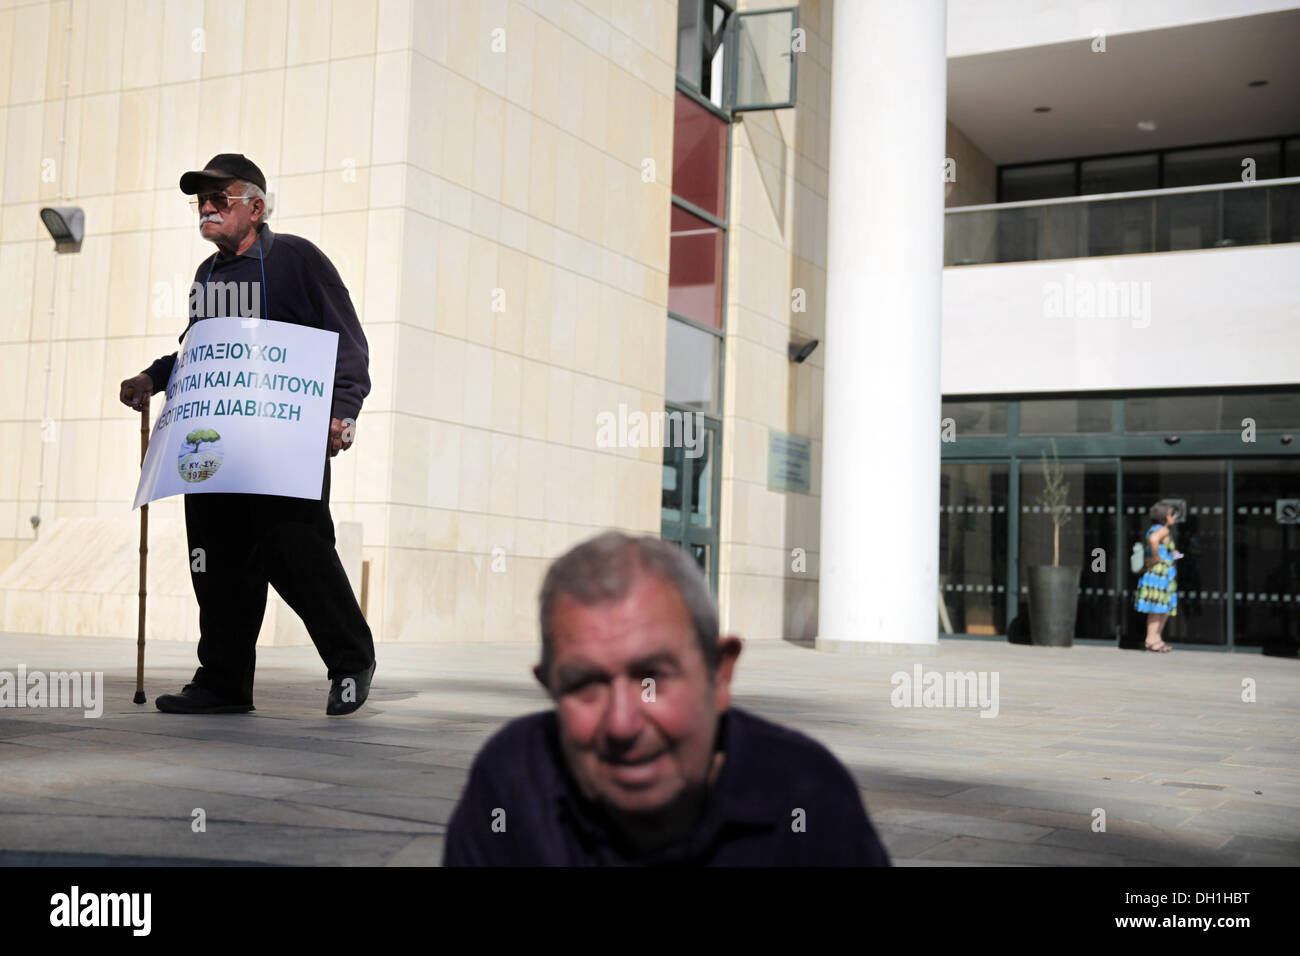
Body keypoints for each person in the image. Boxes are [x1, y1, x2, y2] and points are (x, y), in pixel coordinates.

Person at [443, 531, 890, 866]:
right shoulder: (512, 785)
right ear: (550, 688)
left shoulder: (808, 797)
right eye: (584, 685)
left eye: (652, 677)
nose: (621, 724)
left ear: (719, 675)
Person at [117, 154, 376, 715]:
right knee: (216, 564)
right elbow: (198, 354)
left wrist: (343, 410)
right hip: (214, 448)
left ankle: (351, 661)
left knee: (296, 552)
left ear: (255, 207)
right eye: (200, 200)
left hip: (285, 444)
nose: (206, 208)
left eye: (219, 197)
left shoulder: (298, 261)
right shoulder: (206, 276)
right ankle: (223, 682)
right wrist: (152, 378)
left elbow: (348, 343)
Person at [1134, 501, 1182, 653]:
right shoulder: (1162, 530)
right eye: (1172, 514)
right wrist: (1156, 558)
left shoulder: (1155, 529)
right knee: (1158, 608)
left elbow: (1158, 544)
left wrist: (1171, 554)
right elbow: (1154, 540)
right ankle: (1151, 639)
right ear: (1164, 516)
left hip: (1160, 573)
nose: (1174, 517)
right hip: (1159, 574)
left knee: (1162, 607)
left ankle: (1156, 638)